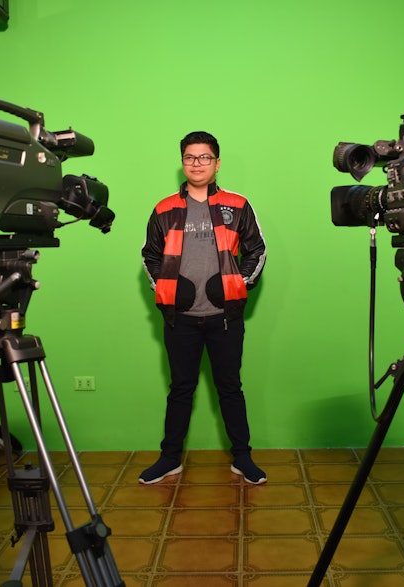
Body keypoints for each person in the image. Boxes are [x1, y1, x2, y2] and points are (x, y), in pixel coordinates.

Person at [140, 131, 267, 485]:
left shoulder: (237, 205)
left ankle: (242, 458)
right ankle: (169, 459)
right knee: (181, 389)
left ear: (217, 163)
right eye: (190, 157)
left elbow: (258, 251)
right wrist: (167, 287)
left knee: (230, 387)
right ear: (183, 161)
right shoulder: (164, 209)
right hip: (179, 318)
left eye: (205, 157)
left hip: (224, 318)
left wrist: (237, 284)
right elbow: (148, 255)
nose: (197, 164)